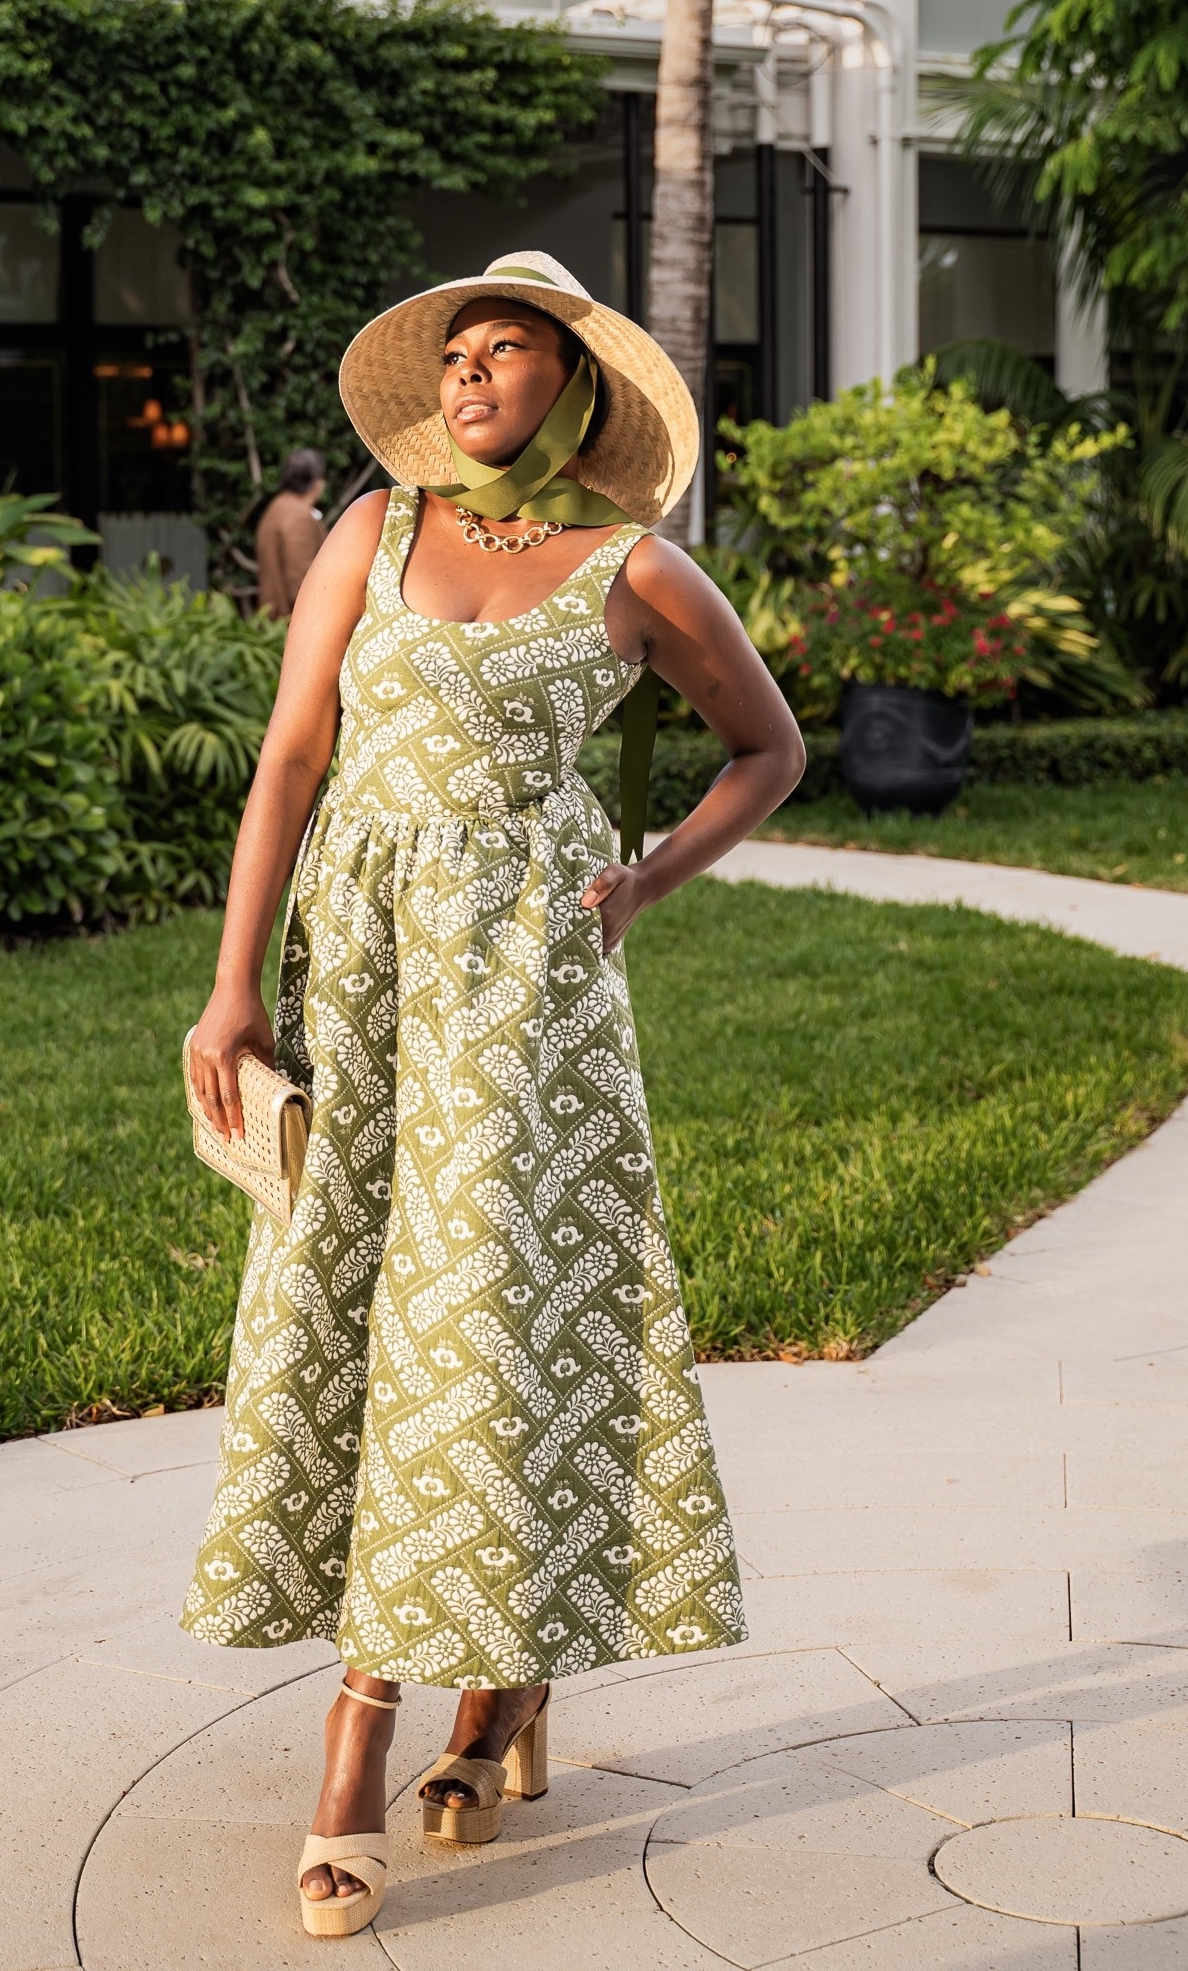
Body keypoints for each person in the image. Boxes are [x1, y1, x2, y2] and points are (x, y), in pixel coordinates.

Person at [180, 250, 807, 1940]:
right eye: (452, 353)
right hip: (362, 986)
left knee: (483, 1326)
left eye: (502, 350)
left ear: (573, 384)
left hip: (527, 1006)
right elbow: (291, 762)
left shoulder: (631, 567)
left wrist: (645, 877)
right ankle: (507, 1691)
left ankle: (360, 1741)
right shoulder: (367, 535)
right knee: (362, 1315)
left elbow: (771, 747)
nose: (467, 377)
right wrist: (234, 985)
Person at [254, 447, 328, 615]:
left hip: (273, 620)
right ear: (317, 483)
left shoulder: (277, 506)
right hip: (291, 622)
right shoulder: (300, 517)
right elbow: (301, 582)